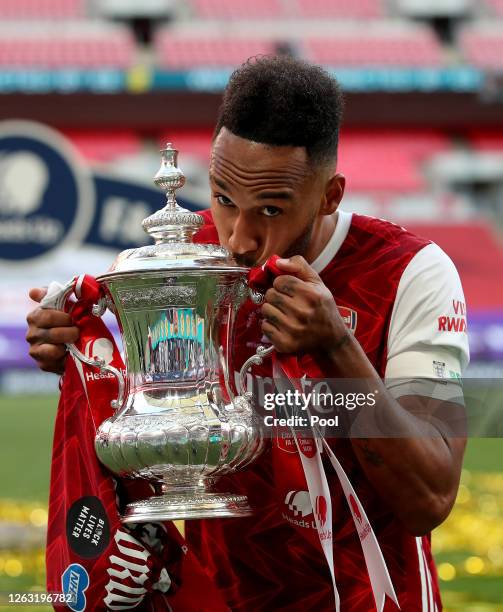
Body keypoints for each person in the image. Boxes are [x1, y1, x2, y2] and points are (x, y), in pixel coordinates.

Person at [26, 56, 469, 611]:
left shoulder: (411, 273)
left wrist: (337, 346)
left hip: (370, 597)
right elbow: (153, 422)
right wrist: (79, 352)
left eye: (270, 209)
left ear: (330, 195)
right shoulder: (188, 266)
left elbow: (430, 497)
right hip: (220, 597)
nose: (238, 238)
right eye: (224, 198)